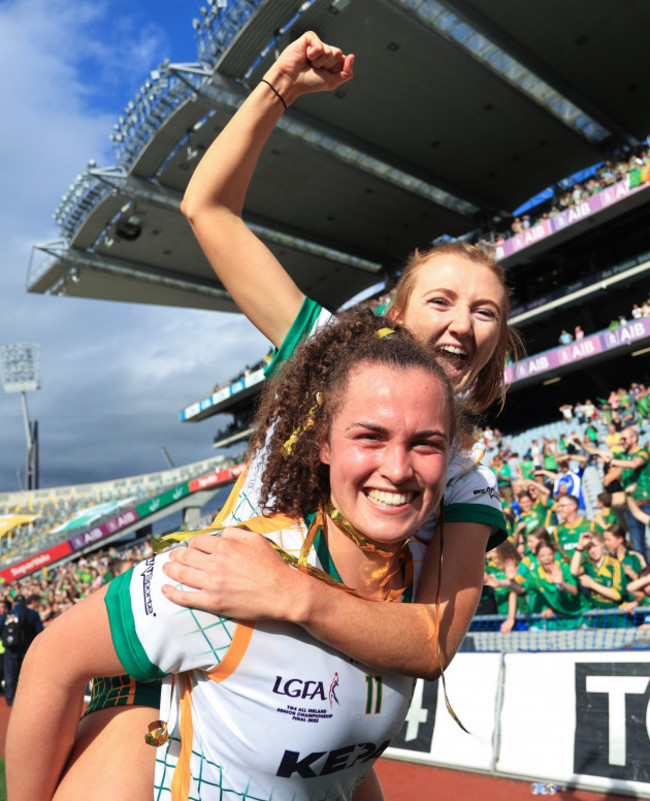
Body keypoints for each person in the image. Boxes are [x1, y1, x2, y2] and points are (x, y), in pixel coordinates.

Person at [45, 33, 519, 799]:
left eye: (486, 311)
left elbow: (431, 639)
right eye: (442, 300)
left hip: (304, 685)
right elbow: (207, 208)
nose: (463, 323)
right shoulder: (318, 350)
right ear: (396, 316)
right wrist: (278, 87)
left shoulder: (464, 480)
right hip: (190, 649)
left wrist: (287, 592)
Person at [7, 311, 460, 801]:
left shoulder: (422, 583)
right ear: (324, 444)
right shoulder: (237, 568)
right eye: (370, 436)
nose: (398, 468)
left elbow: (342, 765)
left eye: (426, 444)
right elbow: (52, 657)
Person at [1, 593, 43, 706]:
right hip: (27, 651)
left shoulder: (6, 615)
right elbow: (40, 633)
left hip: (10, 651)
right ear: (25, 603)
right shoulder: (33, 614)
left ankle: (11, 702)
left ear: (14, 604)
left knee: (10, 677)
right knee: (27, 677)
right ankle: (28, 701)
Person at [570, 530, 626, 611]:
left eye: (594, 546)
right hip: (596, 616)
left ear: (602, 544)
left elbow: (617, 595)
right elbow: (573, 571)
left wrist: (591, 584)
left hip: (615, 614)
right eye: (588, 548)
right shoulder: (588, 566)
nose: (592, 551)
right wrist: (579, 547)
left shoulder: (614, 564)